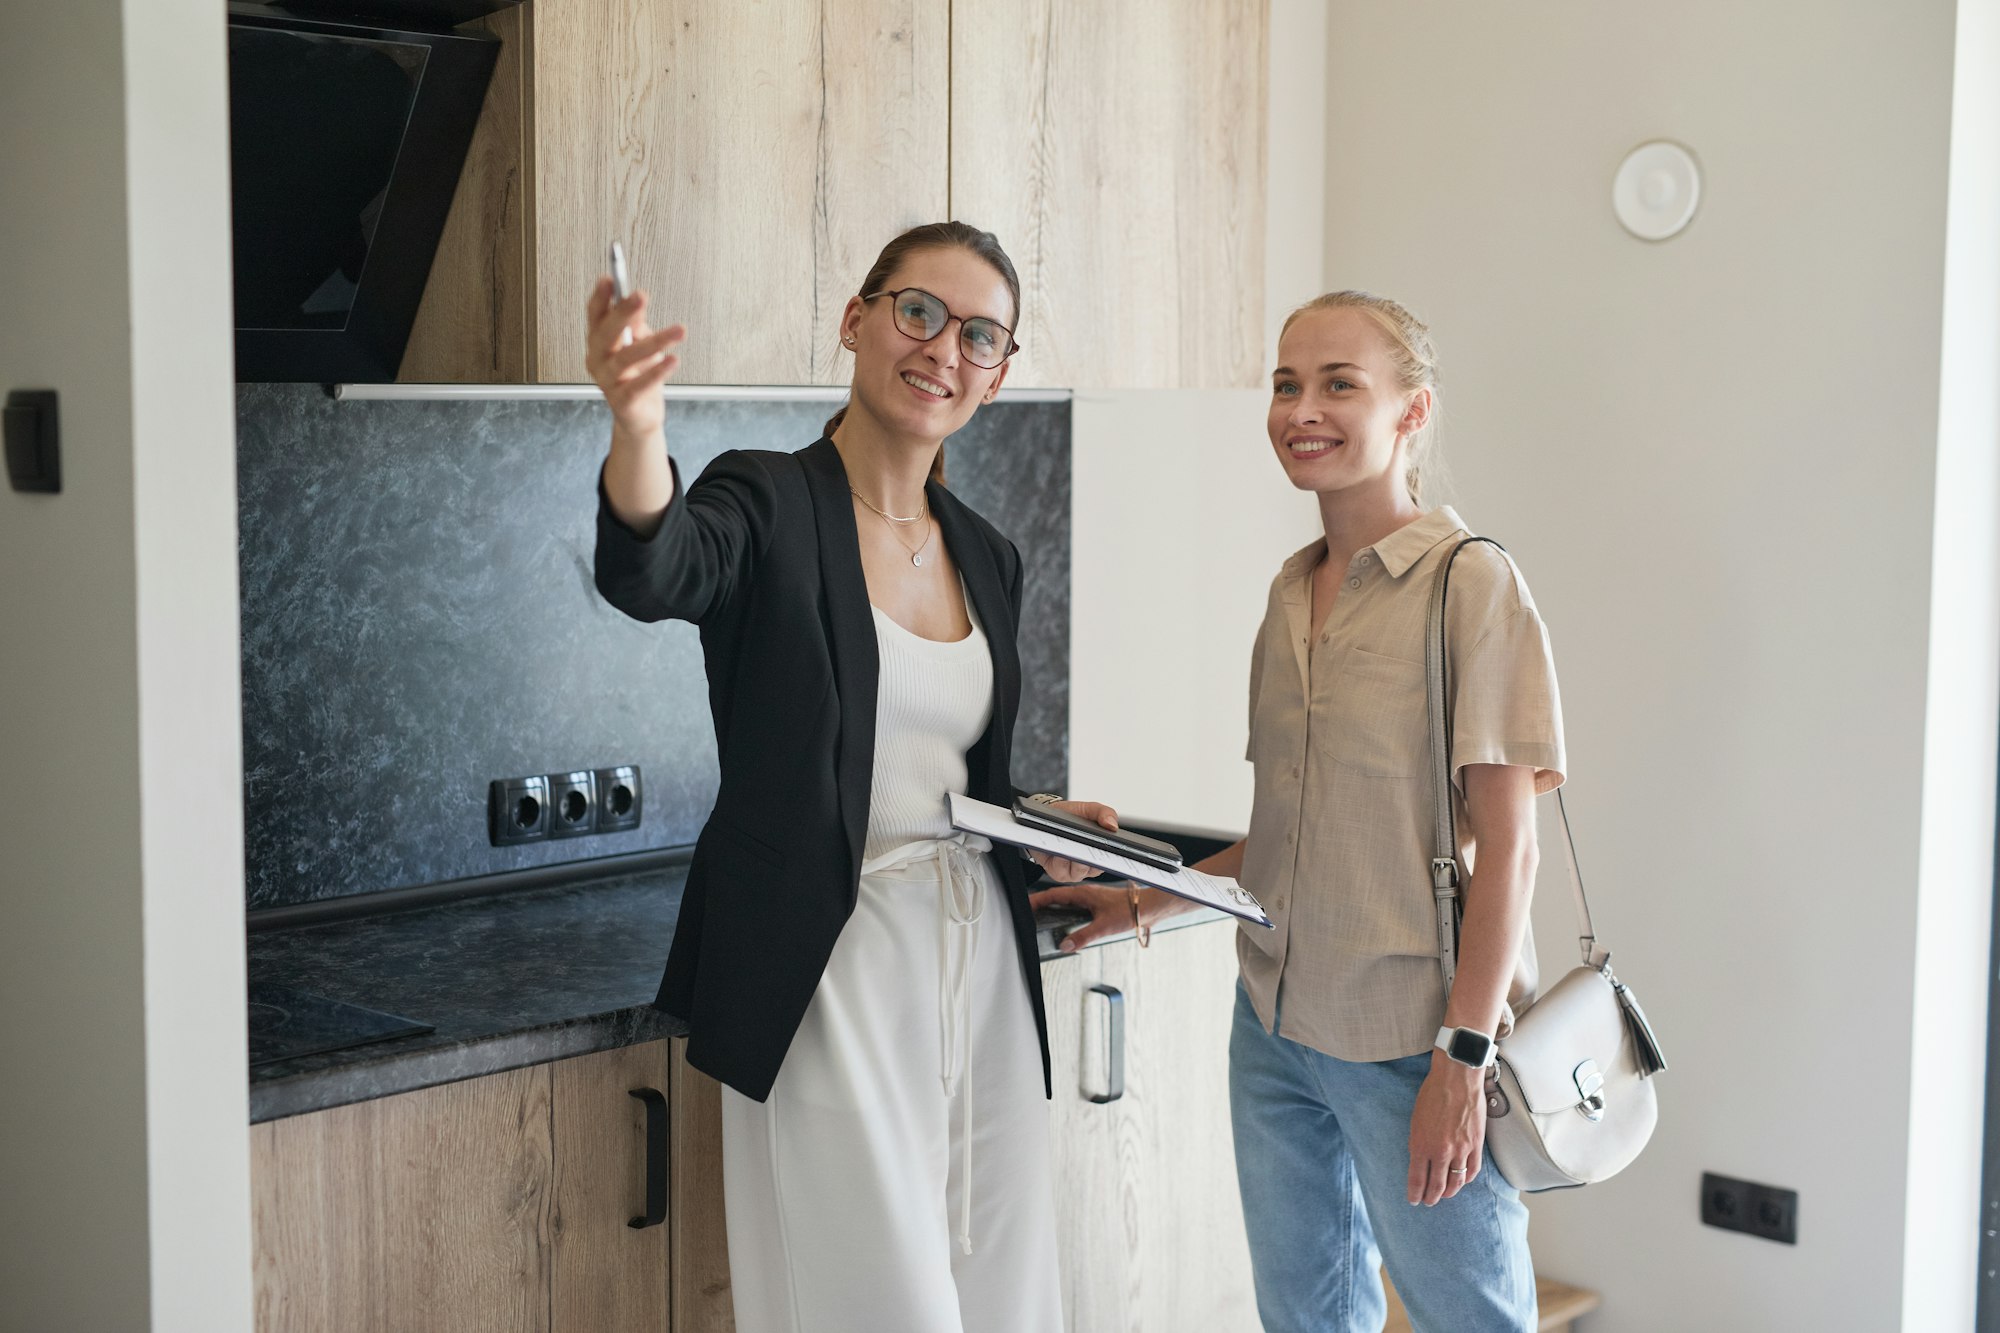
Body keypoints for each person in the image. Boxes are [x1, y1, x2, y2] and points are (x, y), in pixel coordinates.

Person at [586, 221, 1117, 1333]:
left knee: (1009, 1299)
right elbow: (660, 566)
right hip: (825, 964)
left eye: (981, 335)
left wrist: (1039, 819)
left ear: (1000, 371)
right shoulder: (769, 502)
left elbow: (945, 770)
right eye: (918, 311)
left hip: (976, 969)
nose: (943, 349)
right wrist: (638, 428)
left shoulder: (987, 549)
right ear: (857, 320)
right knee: (880, 1311)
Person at [1034, 291, 1565, 1332]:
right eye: (1285, 383)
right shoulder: (1290, 593)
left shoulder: (1470, 586)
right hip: (1272, 1031)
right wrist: (1143, 901)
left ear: (1410, 413)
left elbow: (1509, 851)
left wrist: (1461, 1059)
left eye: (1337, 384)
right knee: (1305, 1322)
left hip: (1411, 1039)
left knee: (1474, 1320)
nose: (1300, 408)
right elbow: (1291, 842)